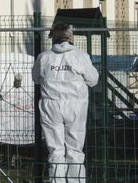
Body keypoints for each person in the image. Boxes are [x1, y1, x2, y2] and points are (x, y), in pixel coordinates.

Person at [32, 23, 99, 182]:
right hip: (76, 106)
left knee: (55, 150)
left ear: (53, 36)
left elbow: (35, 78)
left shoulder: (44, 57)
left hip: (51, 106)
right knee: (74, 149)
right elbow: (93, 80)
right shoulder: (81, 57)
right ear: (70, 36)